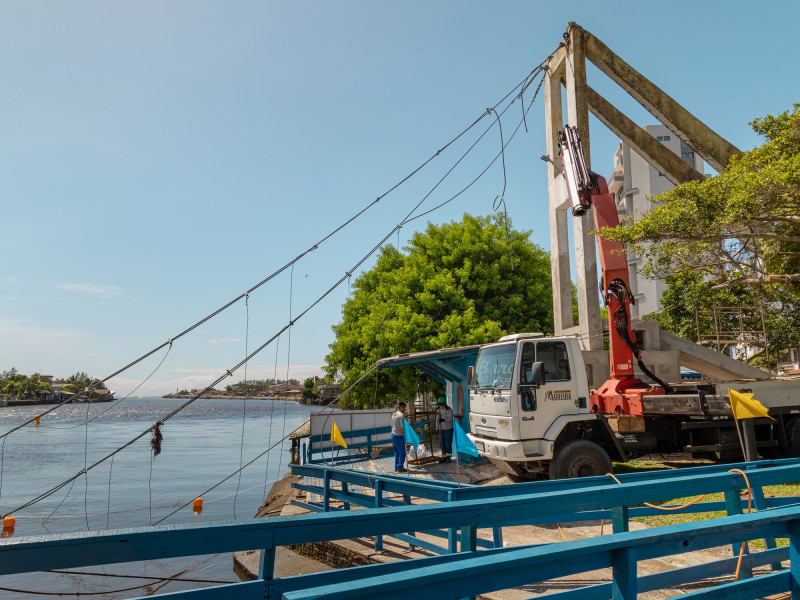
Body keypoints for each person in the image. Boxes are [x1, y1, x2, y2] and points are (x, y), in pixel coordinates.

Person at [436, 396, 454, 462]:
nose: (440, 406)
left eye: (441, 404)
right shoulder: (438, 410)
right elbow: (437, 420)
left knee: (448, 443)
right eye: (439, 405)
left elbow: (450, 418)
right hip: (441, 429)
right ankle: (444, 457)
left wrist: (444, 420)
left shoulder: (449, 410)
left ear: (444, 404)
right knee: (442, 443)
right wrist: (436, 429)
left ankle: (448, 457)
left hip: (448, 428)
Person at [391, 402, 407, 472]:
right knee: (402, 452)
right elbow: (402, 426)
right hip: (399, 435)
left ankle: (396, 467)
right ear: (400, 407)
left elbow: (391, 424)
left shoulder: (394, 414)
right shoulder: (401, 415)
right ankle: (400, 467)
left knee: (396, 452)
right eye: (403, 407)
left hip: (393, 434)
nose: (405, 409)